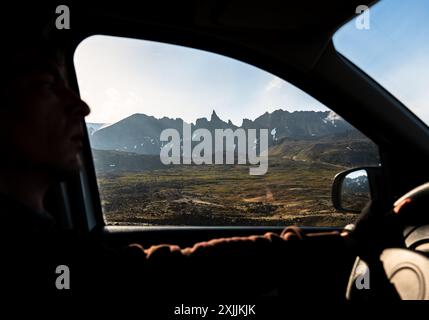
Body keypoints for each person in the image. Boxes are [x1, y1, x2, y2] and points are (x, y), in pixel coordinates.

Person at [0, 14, 348, 301]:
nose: (82, 106)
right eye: (47, 85)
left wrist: (333, 244)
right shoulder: (29, 249)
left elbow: (157, 274)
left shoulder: (43, 239)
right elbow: (164, 278)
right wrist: (339, 245)